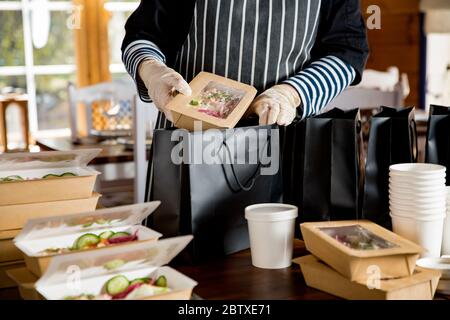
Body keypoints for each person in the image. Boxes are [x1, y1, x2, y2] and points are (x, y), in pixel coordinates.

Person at [122, 0, 369, 200]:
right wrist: (152, 70)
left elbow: (347, 51)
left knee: (280, 255)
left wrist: (291, 94)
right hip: (186, 145)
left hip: (283, 147)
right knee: (182, 253)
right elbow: (143, 34)